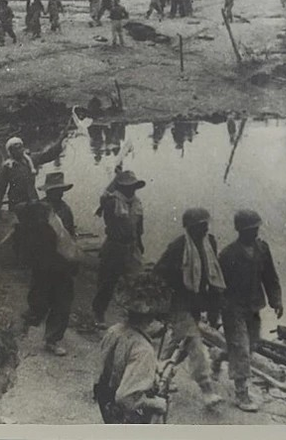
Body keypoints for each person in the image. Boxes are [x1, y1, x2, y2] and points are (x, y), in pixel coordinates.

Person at [154, 208, 226, 408]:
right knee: (194, 341)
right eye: (200, 226)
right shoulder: (178, 247)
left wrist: (213, 309)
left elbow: (212, 274)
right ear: (190, 227)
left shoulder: (209, 242)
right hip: (178, 302)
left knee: (181, 339)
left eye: (206, 224)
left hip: (196, 301)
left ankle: (159, 368)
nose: (204, 228)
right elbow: (159, 272)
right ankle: (207, 390)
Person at [217, 209, 283, 412]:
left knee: (251, 345)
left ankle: (218, 356)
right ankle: (241, 393)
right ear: (240, 231)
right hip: (233, 307)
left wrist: (276, 301)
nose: (254, 233)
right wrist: (215, 310)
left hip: (254, 306)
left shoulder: (263, 249)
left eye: (255, 229)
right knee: (241, 348)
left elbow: (270, 277)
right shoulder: (228, 254)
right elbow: (219, 286)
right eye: (249, 230)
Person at [94, 271, 172, 424]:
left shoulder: (114, 331)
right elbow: (126, 397)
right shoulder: (143, 349)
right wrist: (156, 403)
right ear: (152, 318)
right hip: (126, 414)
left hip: (106, 403)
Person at [20, 198, 77, 356]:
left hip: (59, 263)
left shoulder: (63, 210)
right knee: (39, 301)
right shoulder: (39, 209)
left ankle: (52, 339)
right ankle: (25, 327)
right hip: (45, 264)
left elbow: (68, 235)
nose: (57, 194)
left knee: (62, 303)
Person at [92, 170, 146, 328]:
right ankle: (98, 313)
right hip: (114, 246)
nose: (131, 190)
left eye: (133, 186)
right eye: (128, 187)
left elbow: (139, 225)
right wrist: (111, 189)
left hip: (132, 247)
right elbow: (103, 201)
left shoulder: (137, 203)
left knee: (136, 282)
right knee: (107, 283)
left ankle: (136, 318)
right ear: (120, 187)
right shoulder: (112, 202)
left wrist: (140, 243)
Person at [0, 134, 65, 216]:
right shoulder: (8, 167)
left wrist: (61, 139)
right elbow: (0, 188)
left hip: (32, 198)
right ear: (10, 152)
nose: (19, 150)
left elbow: (47, 155)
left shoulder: (31, 159)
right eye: (15, 149)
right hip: (17, 202)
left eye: (20, 147)